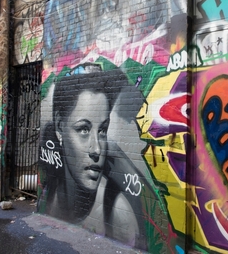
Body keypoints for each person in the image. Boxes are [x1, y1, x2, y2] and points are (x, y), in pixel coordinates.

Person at [38, 64, 150, 248]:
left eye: (102, 130)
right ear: (59, 126)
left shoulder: (116, 211)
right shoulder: (48, 192)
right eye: (83, 129)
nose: (97, 149)